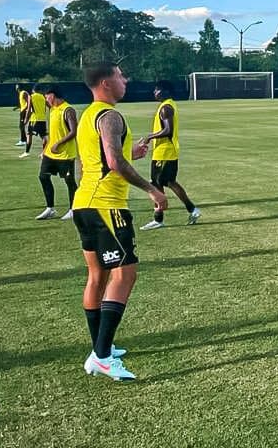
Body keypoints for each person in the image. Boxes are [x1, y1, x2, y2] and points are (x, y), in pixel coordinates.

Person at [72, 62, 165, 381]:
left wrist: (132, 153)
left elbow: (86, 163)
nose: (125, 80)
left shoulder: (88, 116)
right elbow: (112, 162)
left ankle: (101, 348)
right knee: (124, 275)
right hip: (106, 206)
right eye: (120, 75)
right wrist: (152, 189)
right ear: (105, 82)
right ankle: (101, 355)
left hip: (84, 203)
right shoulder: (110, 115)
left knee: (97, 275)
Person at [138, 79, 200, 230]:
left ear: (164, 91)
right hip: (165, 151)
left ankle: (159, 219)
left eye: (157, 89)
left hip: (164, 152)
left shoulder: (166, 108)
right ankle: (192, 210)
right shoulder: (168, 105)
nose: (154, 92)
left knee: (157, 183)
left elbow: (168, 130)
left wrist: (149, 137)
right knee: (169, 182)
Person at [35, 84, 78, 221]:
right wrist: (46, 149)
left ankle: (73, 209)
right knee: (43, 177)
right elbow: (53, 132)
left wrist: (59, 143)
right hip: (50, 153)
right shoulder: (53, 109)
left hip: (65, 154)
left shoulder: (68, 110)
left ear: (52, 95)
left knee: (69, 181)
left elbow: (74, 131)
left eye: (46, 96)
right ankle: (50, 208)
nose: (45, 99)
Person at [21, 84, 48, 158]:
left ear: (33, 90)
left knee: (29, 135)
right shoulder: (43, 97)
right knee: (44, 137)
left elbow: (29, 110)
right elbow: (46, 108)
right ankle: (44, 153)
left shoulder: (31, 96)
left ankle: (26, 152)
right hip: (43, 120)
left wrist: (25, 120)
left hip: (34, 119)